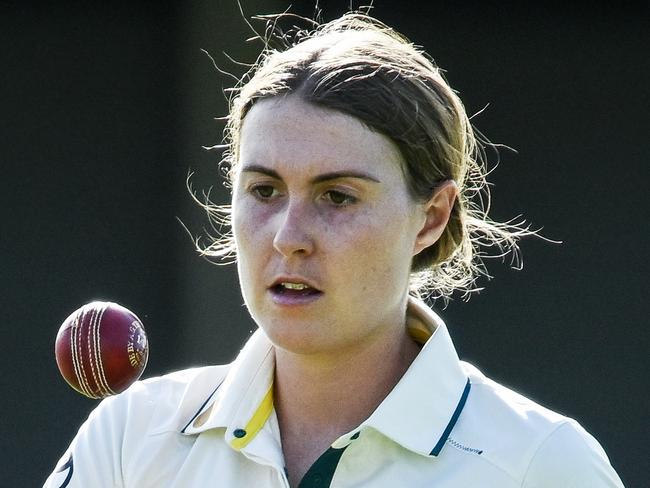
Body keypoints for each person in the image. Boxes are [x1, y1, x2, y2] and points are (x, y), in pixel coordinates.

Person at [44, 12, 624, 488]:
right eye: (264, 191)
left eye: (338, 197)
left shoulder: (543, 464)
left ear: (431, 218)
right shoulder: (129, 438)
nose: (288, 237)